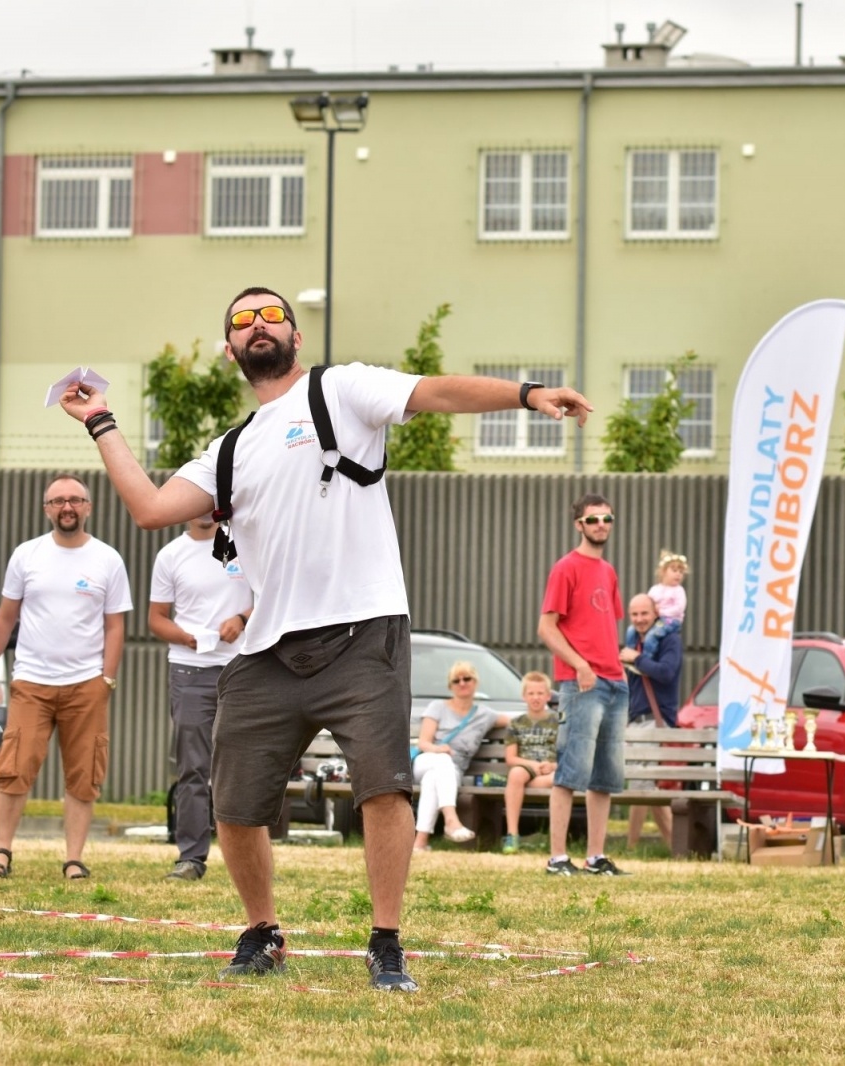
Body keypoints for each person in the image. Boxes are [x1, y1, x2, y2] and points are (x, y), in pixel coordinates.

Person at [52, 284, 592, 991]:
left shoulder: (340, 390)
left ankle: (386, 942)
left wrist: (527, 394)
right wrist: (100, 421)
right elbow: (152, 507)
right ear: (230, 351)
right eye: (242, 321)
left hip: (362, 632)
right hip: (267, 650)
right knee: (233, 803)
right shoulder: (229, 451)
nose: (258, 325)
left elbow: (436, 392)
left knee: (384, 789)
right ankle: (262, 932)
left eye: (272, 314)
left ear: (295, 336)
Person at [0, 475, 131, 882]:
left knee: (84, 774)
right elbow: (6, 618)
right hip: (32, 682)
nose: (67, 507)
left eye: (75, 500)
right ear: (46, 509)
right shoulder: (27, 555)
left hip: (87, 684)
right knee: (14, 768)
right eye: (58, 501)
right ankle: (2, 850)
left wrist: (107, 680)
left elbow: (115, 626)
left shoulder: (107, 559)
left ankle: (74, 859)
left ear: (88, 507)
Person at [147, 515, 253, 881]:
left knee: (244, 766)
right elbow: (156, 618)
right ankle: (191, 858)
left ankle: (251, 858)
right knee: (193, 767)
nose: (203, 510)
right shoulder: (171, 555)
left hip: (242, 666)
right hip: (189, 671)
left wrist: (241, 619)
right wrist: (185, 638)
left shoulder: (244, 543)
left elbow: (273, 595)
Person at [538, 493, 630, 877]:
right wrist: (580, 665)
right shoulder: (566, 568)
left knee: (604, 777)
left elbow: (606, 627)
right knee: (570, 772)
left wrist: (619, 667)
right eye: (593, 519)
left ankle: (595, 857)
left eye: (607, 519)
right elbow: (546, 628)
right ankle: (558, 858)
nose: (601, 525)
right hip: (582, 684)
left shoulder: (608, 572)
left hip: (615, 683)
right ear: (579, 525)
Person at [412, 660, 514, 852]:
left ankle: (420, 842)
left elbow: (517, 722)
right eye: (456, 680)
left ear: (475, 682)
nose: (462, 683)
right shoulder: (437, 707)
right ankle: (451, 820)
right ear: (450, 686)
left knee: (432, 780)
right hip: (426, 760)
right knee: (442, 762)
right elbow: (424, 742)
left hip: (453, 771)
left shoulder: (485, 714)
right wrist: (438, 749)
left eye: (467, 678)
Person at [621, 592, 681, 850]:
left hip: (656, 722)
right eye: (634, 614)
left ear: (656, 612)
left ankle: (631, 847)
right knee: (647, 787)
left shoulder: (669, 639)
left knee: (640, 785)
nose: (639, 619)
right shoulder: (633, 640)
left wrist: (637, 659)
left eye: (644, 613)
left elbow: (666, 672)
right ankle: (676, 848)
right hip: (635, 721)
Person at [502, 671, 558, 854]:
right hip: (525, 767)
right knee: (516, 773)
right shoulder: (516, 723)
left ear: (548, 696)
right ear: (524, 696)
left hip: (551, 769)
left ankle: (509, 785)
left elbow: (567, 754)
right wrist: (532, 765)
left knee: (557, 779)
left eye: (540, 693)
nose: (536, 697)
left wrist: (553, 765)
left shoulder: (558, 721)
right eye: (531, 693)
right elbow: (511, 758)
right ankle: (512, 834)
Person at [647, 550, 689, 637]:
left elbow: (679, 608)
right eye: (674, 570)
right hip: (656, 619)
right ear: (663, 571)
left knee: (655, 632)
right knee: (632, 631)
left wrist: (661, 612)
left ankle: (649, 646)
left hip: (671, 620)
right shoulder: (654, 589)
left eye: (681, 572)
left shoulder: (679, 590)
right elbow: (647, 604)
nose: (678, 574)